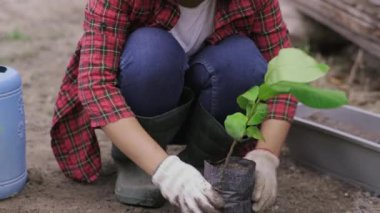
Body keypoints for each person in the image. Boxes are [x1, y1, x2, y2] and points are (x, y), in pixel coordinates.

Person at [50, 0, 297, 212]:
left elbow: (284, 75)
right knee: (150, 54)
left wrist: (266, 154)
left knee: (242, 63)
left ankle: (205, 160)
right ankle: (140, 163)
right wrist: (166, 171)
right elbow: (96, 85)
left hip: (212, 105)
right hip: (142, 107)